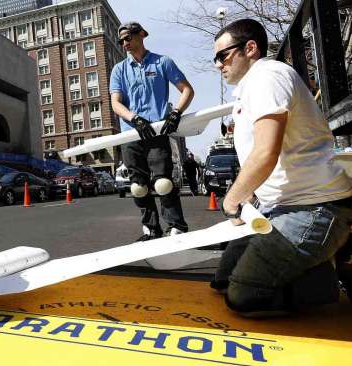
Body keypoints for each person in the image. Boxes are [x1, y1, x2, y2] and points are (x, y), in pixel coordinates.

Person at [212, 19, 352, 317]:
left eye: (222, 56)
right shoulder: (252, 87)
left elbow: (266, 152)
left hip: (314, 208)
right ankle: (312, 262)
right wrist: (251, 196)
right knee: (222, 280)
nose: (218, 65)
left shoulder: (267, 77)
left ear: (250, 48)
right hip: (281, 207)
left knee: (243, 296)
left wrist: (232, 199)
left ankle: (328, 280)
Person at [110, 22, 195, 240]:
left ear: (142, 35)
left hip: (156, 131)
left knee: (163, 183)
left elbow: (187, 90)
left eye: (128, 38)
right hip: (130, 133)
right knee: (138, 186)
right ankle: (150, 228)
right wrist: (134, 118)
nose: (124, 43)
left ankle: (176, 226)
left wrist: (175, 113)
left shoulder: (162, 62)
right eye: (121, 41)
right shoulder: (119, 69)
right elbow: (116, 103)